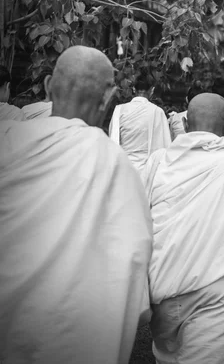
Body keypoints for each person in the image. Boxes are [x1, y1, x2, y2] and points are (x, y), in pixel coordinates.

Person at [0, 46, 153, 364]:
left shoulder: (8, 140)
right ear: (108, 96)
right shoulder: (112, 162)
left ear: (46, 87)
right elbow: (133, 259)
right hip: (71, 338)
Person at [141, 93, 224, 364]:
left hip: (161, 282)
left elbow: (138, 219)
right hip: (217, 286)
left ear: (186, 124)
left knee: (167, 358)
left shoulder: (157, 162)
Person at [108, 76, 171, 172]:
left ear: (133, 89)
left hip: (123, 167)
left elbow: (113, 140)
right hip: (147, 169)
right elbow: (164, 145)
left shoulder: (119, 110)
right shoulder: (157, 112)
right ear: (152, 90)